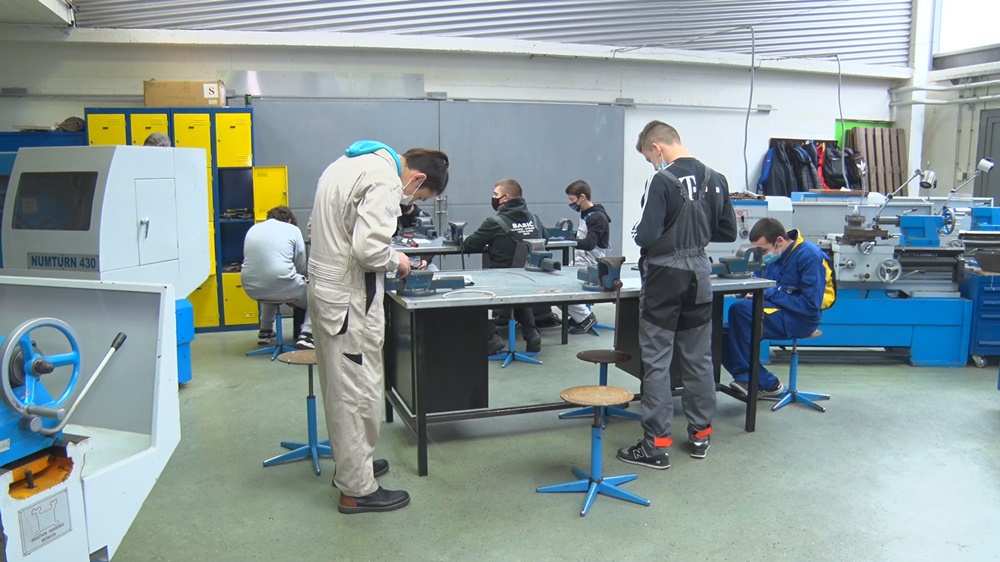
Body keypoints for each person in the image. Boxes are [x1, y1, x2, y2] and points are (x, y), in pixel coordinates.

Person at [308, 141, 449, 514]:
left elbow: (317, 227)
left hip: (326, 292)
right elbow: (370, 250)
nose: (410, 202)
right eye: (418, 195)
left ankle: (353, 465)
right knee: (357, 392)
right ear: (416, 177)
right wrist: (396, 258)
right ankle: (357, 489)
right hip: (349, 302)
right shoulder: (384, 180)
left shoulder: (344, 164)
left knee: (340, 388)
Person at [618, 120, 736, 469]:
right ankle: (700, 435)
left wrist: (641, 231)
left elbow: (645, 235)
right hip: (700, 274)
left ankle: (656, 445)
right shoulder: (717, 179)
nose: (651, 164)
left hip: (665, 277)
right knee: (698, 358)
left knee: (657, 360)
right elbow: (728, 231)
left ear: (657, 148)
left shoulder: (661, 179)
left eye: (648, 157)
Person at [723, 217, 835, 397]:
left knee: (740, 311)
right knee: (721, 333)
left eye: (763, 251)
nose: (762, 256)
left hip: (801, 318)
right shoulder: (774, 255)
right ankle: (767, 383)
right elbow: (761, 283)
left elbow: (809, 305)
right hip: (774, 310)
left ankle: (747, 378)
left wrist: (768, 292)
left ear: (779, 241)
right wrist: (750, 291)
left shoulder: (810, 257)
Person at [462, 179, 546, 355]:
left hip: (499, 281)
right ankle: (532, 334)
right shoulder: (535, 219)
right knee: (518, 292)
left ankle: (492, 338)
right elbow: (546, 239)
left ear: (505, 198)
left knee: (468, 295)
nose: (493, 197)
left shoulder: (494, 222)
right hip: (531, 279)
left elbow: (469, 245)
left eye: (495, 194)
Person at [241, 206, 313, 349]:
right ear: (290, 219)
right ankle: (307, 334)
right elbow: (301, 265)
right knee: (316, 295)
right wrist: (297, 293)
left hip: (251, 286)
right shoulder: (293, 229)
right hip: (281, 283)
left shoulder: (253, 229)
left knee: (270, 287)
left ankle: (265, 331)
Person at [564, 179, 612, 334]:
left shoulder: (597, 217)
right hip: (580, 260)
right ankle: (578, 315)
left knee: (561, 290)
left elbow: (590, 243)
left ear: (582, 197)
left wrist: (569, 241)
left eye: (572, 199)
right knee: (557, 287)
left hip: (590, 263)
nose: (570, 203)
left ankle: (586, 318)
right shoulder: (585, 214)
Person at [395, 202, 438, 272]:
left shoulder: (425, 217)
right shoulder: (394, 219)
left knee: (436, 275)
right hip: (401, 261)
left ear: (413, 201)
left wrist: (426, 260)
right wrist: (402, 260)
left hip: (422, 261)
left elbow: (433, 242)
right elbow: (390, 243)